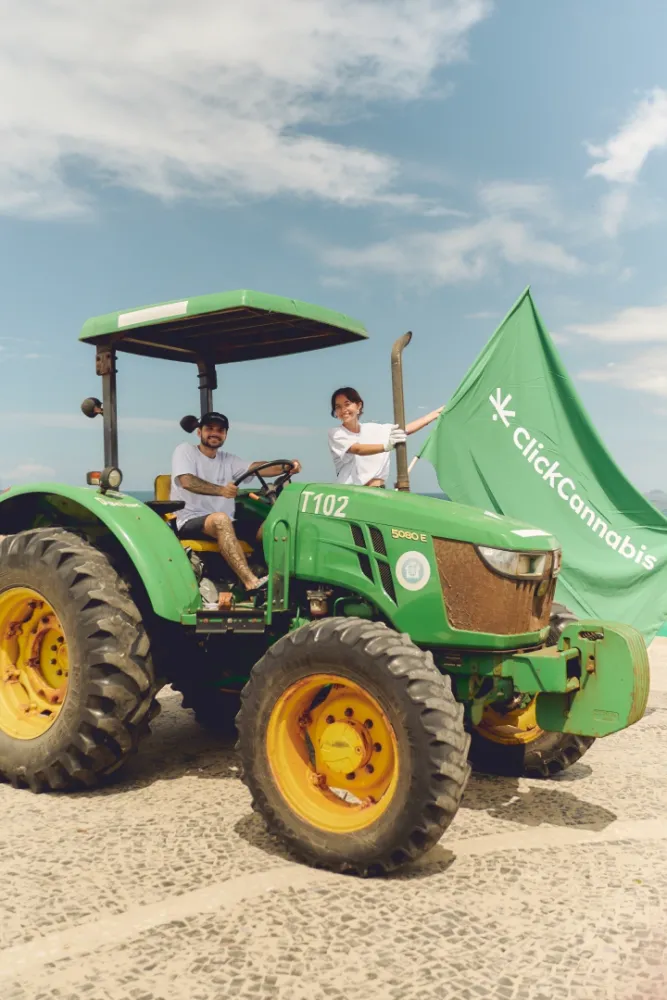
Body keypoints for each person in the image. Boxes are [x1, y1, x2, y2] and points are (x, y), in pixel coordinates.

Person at [171, 411, 301, 592]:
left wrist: (285, 466)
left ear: (225, 434)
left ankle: (280, 576)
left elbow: (256, 468)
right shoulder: (185, 451)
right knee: (221, 519)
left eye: (220, 430)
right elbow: (187, 481)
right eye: (209, 429)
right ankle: (251, 582)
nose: (215, 433)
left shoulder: (228, 460)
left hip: (226, 521)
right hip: (190, 518)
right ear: (199, 432)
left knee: (272, 526)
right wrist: (221, 490)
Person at [328, 387, 444, 487]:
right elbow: (358, 449)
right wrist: (386, 446)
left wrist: (435, 414)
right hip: (351, 493)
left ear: (358, 406)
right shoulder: (336, 433)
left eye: (347, 404)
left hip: (378, 490)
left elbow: (405, 430)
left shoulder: (375, 429)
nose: (343, 410)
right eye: (338, 407)